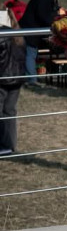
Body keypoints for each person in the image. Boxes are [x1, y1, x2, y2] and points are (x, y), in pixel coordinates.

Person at [19, 0, 66, 85]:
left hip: (32, 30)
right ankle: (32, 79)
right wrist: (55, 18)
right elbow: (44, 16)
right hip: (30, 30)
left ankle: (31, 77)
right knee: (30, 54)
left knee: (32, 54)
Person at [0, 22, 27, 156]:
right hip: (16, 78)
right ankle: (9, 145)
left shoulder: (3, 35)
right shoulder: (18, 35)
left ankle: (4, 144)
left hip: (4, 78)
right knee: (10, 111)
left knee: (4, 112)